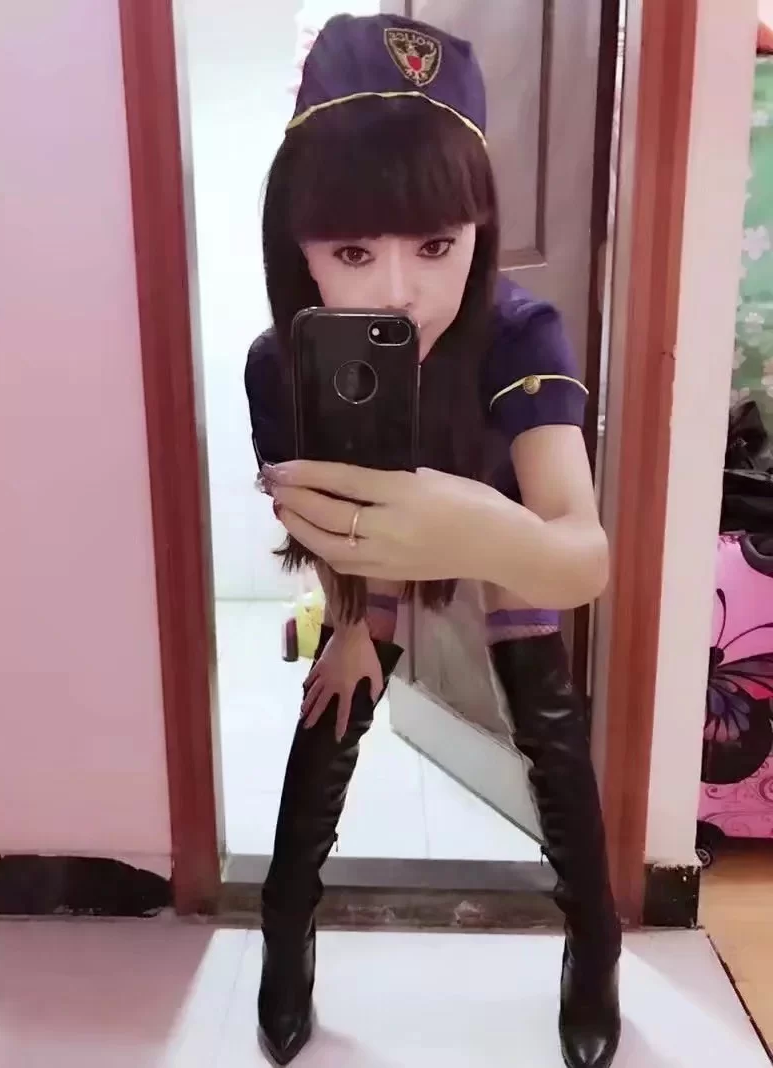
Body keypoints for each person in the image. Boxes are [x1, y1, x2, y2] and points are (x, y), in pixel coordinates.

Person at [246, 13, 621, 1068]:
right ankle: (284, 933)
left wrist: (483, 534)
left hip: (504, 529)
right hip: (375, 550)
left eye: (435, 246)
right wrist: (350, 626)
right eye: (351, 251)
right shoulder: (278, 367)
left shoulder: (518, 332)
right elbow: (327, 523)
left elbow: (579, 550)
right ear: (297, 247)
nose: (399, 292)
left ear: (478, 233)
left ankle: (594, 946)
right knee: (329, 714)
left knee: (549, 725)